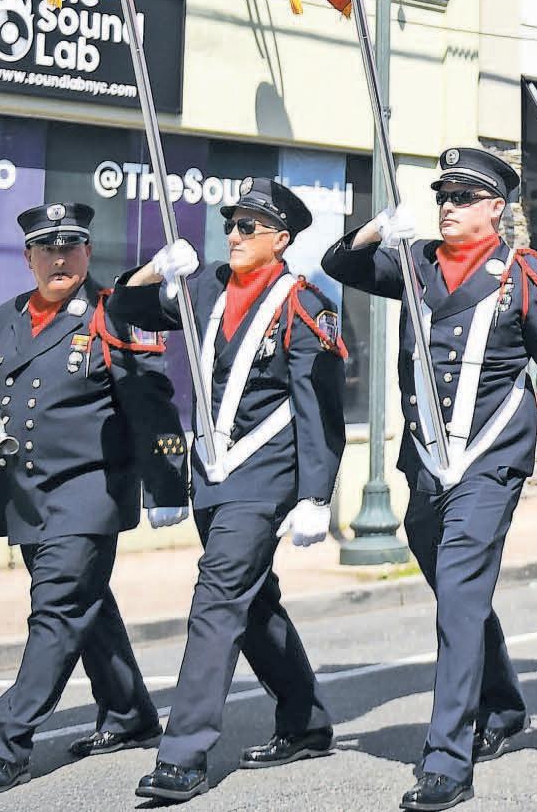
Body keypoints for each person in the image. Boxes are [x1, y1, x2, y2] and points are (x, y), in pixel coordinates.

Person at [322, 147, 537, 811]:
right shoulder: (414, 262)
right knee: (460, 596)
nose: (447, 207)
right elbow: (341, 264)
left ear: (495, 208)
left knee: (456, 600)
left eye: (462, 197)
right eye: (442, 196)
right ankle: (503, 704)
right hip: (426, 460)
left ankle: (447, 759)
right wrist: (377, 228)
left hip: (489, 460)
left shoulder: (525, 275)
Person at [106, 177, 347, 804]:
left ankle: (183, 754)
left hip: (264, 476)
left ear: (281, 239)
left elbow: (319, 410)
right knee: (253, 602)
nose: (233, 236)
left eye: (248, 227)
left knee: (215, 601)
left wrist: (317, 495)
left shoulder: (303, 303)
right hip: (213, 476)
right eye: (230, 225)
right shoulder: (207, 287)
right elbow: (123, 310)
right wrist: (152, 270)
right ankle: (306, 720)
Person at [0, 202, 189, 797]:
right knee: (87, 607)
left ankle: (7, 743)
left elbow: (151, 400)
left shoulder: (112, 311)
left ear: (87, 252)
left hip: (88, 494)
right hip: (25, 495)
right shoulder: (7, 317)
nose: (60, 259)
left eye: (71, 247)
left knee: (55, 613)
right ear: (28, 257)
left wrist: (166, 482)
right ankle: (129, 714)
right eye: (48, 250)